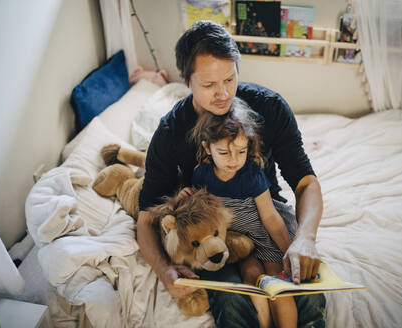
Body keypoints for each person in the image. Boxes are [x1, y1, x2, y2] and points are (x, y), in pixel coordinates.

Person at [137, 20, 325, 327]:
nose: (223, 94)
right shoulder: (171, 132)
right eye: (209, 85)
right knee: (234, 303)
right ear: (186, 79)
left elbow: (306, 181)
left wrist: (305, 238)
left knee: (306, 295)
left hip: (266, 218)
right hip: (215, 233)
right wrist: (164, 271)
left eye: (229, 79)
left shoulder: (270, 108)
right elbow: (146, 218)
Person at [182, 98, 298, 328]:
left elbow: (271, 218)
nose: (234, 160)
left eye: (241, 151)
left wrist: (288, 252)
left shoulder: (251, 175)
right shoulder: (202, 175)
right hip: (237, 243)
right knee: (253, 279)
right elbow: (203, 211)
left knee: (276, 284)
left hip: (261, 237)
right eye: (224, 153)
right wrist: (188, 196)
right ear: (207, 147)